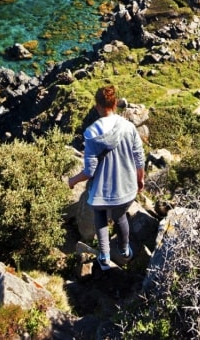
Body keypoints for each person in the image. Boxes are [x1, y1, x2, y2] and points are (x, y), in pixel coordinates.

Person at [68, 84, 145, 271]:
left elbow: (89, 171)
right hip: (125, 188)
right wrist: (140, 179)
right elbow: (139, 158)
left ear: (97, 106)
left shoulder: (91, 133)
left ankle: (104, 258)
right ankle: (125, 251)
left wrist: (73, 181)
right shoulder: (128, 127)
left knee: (100, 218)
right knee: (120, 218)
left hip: (101, 192)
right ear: (115, 103)